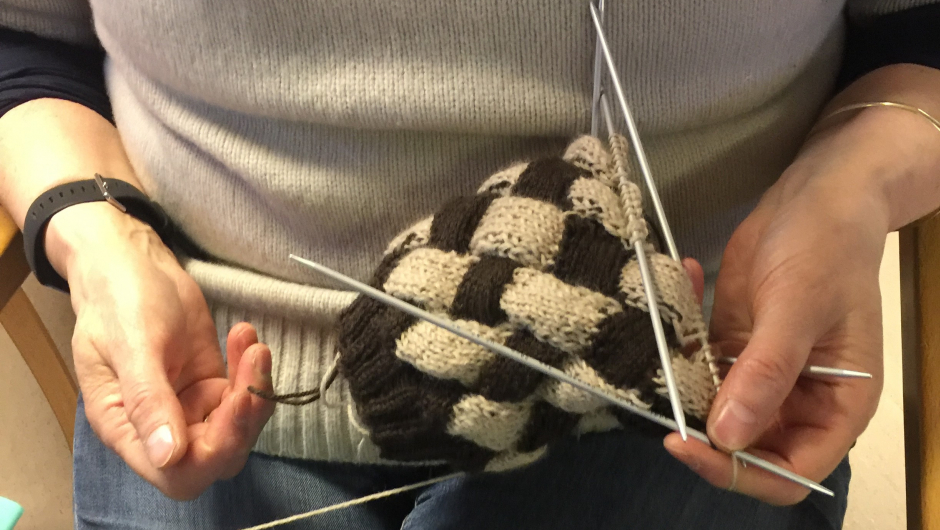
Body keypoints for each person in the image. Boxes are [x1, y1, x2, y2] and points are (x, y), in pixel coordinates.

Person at [0, 1, 937, 528]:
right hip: (208, 381)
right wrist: (97, 236)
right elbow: (26, 42)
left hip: (696, 396)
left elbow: (917, 32)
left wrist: (850, 190)